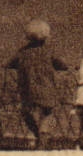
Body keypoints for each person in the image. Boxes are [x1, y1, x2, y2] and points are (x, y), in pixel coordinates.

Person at [7, 19, 68, 149]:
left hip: (27, 89)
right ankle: (43, 136)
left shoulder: (22, 52)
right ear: (46, 35)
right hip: (47, 88)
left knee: (27, 112)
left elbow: (9, 64)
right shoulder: (49, 51)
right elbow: (63, 65)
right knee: (48, 113)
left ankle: (37, 134)